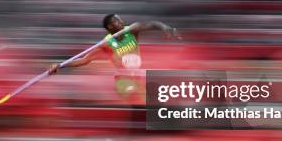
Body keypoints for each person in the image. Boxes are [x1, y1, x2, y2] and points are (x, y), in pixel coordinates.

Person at [47, 14, 181, 100]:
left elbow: (151, 24)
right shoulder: (107, 44)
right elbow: (84, 60)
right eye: (117, 21)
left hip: (139, 76)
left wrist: (165, 28)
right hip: (123, 80)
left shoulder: (132, 30)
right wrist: (60, 65)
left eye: (120, 19)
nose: (121, 21)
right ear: (110, 26)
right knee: (136, 96)